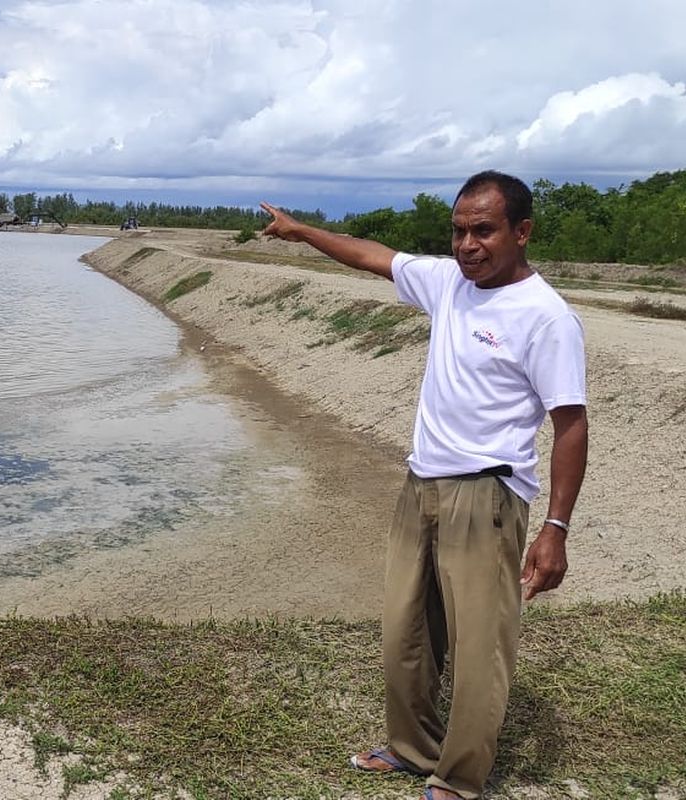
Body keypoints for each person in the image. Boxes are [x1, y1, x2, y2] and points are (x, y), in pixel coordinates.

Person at [261, 171, 588, 800]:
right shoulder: (448, 284)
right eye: (460, 230)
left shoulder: (547, 317)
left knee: (478, 647)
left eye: (484, 230)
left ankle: (460, 778)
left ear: (522, 232)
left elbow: (570, 426)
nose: (468, 244)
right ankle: (412, 748)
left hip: (488, 494)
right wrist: (300, 231)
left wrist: (556, 528)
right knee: (405, 629)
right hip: (422, 482)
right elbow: (370, 255)